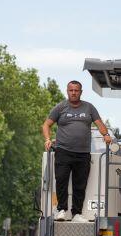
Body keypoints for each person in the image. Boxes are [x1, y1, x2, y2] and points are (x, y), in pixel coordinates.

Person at [42, 80, 111, 222]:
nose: (74, 93)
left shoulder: (89, 108)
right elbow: (46, 125)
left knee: (80, 184)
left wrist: (106, 135)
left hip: (82, 153)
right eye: (71, 90)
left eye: (76, 90)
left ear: (81, 92)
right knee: (61, 181)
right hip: (63, 151)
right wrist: (48, 139)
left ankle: (77, 214)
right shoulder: (60, 107)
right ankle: (61, 210)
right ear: (67, 91)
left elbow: (99, 123)